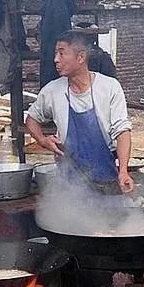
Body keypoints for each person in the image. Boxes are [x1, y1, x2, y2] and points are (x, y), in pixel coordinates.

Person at [26, 30, 134, 194]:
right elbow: (31, 119)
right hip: (69, 187)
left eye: (62, 54)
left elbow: (122, 131)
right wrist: (42, 140)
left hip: (107, 181)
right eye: (56, 53)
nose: (56, 60)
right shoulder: (52, 91)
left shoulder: (109, 87)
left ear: (81, 57)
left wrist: (124, 171)